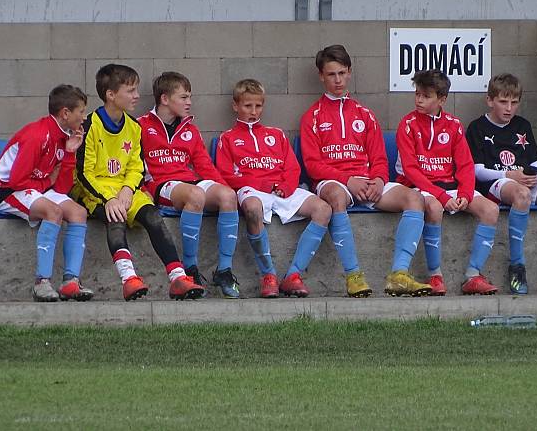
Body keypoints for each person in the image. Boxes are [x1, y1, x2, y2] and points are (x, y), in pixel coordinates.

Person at [300, 45, 430, 298]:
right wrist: (348, 181)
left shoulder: (365, 114)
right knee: (336, 196)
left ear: (349, 73)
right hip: (334, 182)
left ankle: (399, 275)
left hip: (369, 182)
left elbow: (379, 156)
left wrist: (380, 180)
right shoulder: (312, 117)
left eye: (342, 73)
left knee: (415, 198)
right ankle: (353, 275)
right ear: (321, 76)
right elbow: (313, 165)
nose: (337, 80)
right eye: (331, 74)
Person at [70, 64, 204, 301]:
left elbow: (136, 167)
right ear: (111, 95)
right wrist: (109, 198)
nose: (137, 96)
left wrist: (126, 190)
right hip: (96, 191)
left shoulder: (134, 126)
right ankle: (129, 279)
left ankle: (177, 277)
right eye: (130, 91)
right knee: (116, 217)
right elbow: (83, 172)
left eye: (136, 90)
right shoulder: (90, 125)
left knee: (153, 217)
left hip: (125, 189)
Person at [216, 79, 335, 298]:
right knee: (251, 208)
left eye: (258, 106)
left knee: (324, 209)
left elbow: (292, 168)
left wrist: (286, 186)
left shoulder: (277, 134)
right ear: (236, 106)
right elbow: (224, 176)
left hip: (282, 189)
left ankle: (293, 276)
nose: (253, 111)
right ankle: (268, 276)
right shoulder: (228, 138)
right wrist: (259, 184)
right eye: (247, 106)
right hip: (251, 189)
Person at [466, 73, 537, 294]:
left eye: (514, 103)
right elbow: (476, 171)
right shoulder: (477, 128)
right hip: (498, 183)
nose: (509, 108)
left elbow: (536, 162)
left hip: (524, 181)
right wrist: (509, 176)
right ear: (490, 100)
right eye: (503, 102)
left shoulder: (522, 125)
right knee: (521, 195)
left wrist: (534, 175)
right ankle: (517, 265)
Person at [395, 68, 500, 296]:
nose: (419, 100)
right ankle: (435, 275)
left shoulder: (453, 125)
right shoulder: (407, 124)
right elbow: (411, 170)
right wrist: (442, 197)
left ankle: (473, 276)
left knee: (491, 210)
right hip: (418, 186)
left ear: (442, 99)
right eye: (417, 94)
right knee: (434, 207)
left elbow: (464, 165)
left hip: (449, 186)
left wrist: (465, 194)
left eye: (426, 96)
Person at [138, 71, 241, 298]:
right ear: (165, 99)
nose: (189, 102)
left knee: (228, 197)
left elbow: (205, 166)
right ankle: (189, 270)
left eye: (190, 97)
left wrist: (227, 190)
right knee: (195, 196)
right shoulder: (140, 126)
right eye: (184, 97)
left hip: (190, 182)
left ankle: (224, 270)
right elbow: (133, 166)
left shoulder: (190, 128)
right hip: (163, 185)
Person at [0, 84, 93, 302]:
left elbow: (62, 188)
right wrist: (48, 180)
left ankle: (70, 282)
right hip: (8, 190)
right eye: (81, 111)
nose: (84, 117)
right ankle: (41, 282)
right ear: (65, 113)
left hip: (38, 186)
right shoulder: (37, 135)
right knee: (53, 212)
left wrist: (70, 153)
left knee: (78, 213)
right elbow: (17, 181)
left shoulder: (64, 136)